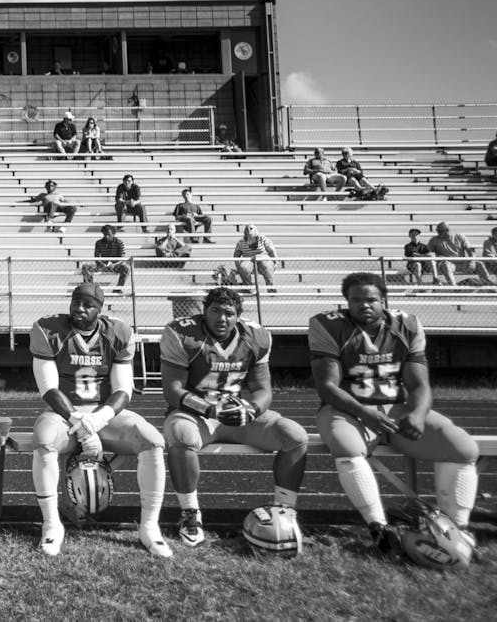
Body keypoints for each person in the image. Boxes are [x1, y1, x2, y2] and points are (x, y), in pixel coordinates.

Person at [309, 273, 479, 552]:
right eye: (356, 300)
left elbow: (419, 384)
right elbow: (327, 387)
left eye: (371, 299)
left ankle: (457, 528)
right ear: (346, 302)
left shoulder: (407, 325)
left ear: (383, 300)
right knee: (347, 447)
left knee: (462, 448)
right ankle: (378, 527)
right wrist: (365, 414)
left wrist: (418, 414)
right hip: (348, 410)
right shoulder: (328, 325)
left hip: (396, 408)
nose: (364, 305)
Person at [28, 284, 170, 558]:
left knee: (152, 441)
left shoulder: (118, 332)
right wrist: (79, 422)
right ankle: (51, 524)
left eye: (87, 305)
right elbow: (48, 388)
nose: (79, 309)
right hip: (63, 413)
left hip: (104, 414)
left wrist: (98, 419)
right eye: (75, 302)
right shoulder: (49, 330)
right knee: (44, 441)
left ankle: (150, 527)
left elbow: (123, 389)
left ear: (100, 309)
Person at [161, 286, 308, 548]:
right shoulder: (182, 333)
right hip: (198, 414)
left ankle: (284, 513)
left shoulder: (256, 336)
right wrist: (209, 409)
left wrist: (251, 410)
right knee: (180, 434)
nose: (221, 318)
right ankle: (190, 514)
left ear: (238, 316)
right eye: (215, 311)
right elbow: (173, 391)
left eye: (229, 313)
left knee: (294, 436)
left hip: (238, 413)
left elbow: (263, 390)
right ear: (204, 311)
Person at [428, 221, 490, 285]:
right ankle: (454, 288)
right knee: (446, 266)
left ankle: (490, 285)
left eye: (440, 231)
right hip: (449, 263)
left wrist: (472, 261)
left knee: (479, 264)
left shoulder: (459, 236)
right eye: (438, 232)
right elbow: (428, 252)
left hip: (462, 262)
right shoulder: (434, 240)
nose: (438, 233)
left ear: (447, 230)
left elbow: (470, 250)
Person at [233, 223, 279, 290]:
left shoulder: (262, 238)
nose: (249, 230)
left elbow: (271, 250)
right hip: (248, 259)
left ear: (255, 230)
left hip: (263, 258)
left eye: (251, 228)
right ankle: (248, 288)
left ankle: (271, 288)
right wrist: (238, 266)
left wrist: (275, 261)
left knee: (266, 265)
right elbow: (236, 255)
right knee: (243, 267)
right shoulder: (241, 242)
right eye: (247, 229)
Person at [86, 224, 130, 290]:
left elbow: (122, 259)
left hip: (116, 266)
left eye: (108, 234)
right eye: (104, 234)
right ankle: (90, 288)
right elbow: (96, 258)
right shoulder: (99, 243)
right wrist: (102, 264)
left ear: (113, 233)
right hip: (102, 265)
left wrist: (114, 264)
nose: (106, 236)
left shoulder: (119, 243)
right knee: (86, 267)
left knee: (126, 268)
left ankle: (118, 289)